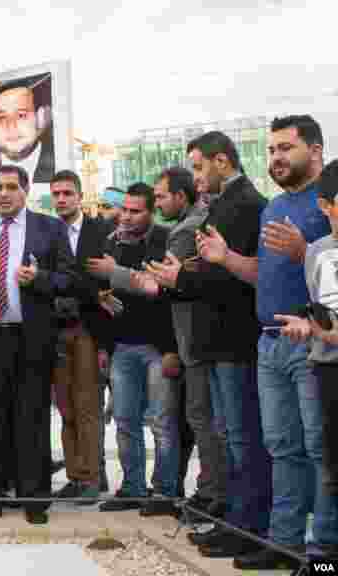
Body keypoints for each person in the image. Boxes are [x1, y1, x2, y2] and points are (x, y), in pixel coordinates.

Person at [193, 116, 335, 569]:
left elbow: (326, 271)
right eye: (271, 150)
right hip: (270, 344)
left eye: (285, 148)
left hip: (315, 345)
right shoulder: (273, 209)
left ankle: (322, 549)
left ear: (315, 150)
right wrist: (227, 258)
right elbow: (262, 275)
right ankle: (284, 541)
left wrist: (305, 250)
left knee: (319, 451)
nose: (275, 158)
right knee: (281, 448)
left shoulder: (329, 203)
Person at [148, 130, 271, 559]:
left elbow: (228, 277)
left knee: (242, 440)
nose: (196, 178)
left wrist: (180, 278)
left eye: (199, 167)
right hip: (217, 341)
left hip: (236, 341)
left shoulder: (245, 205)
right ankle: (235, 522)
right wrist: (180, 277)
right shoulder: (222, 205)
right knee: (228, 437)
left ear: (222, 161)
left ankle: (250, 528)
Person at [0, 165, 72, 525]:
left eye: (11, 187)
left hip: (30, 337)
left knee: (31, 419)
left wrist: (39, 278)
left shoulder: (49, 228)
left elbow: (70, 278)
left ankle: (34, 498)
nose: (3, 194)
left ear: (25, 190)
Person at [87, 183, 178, 514]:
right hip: (121, 347)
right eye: (123, 209)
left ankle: (166, 493)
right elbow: (99, 289)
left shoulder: (165, 240)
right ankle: (133, 488)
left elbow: (160, 291)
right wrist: (102, 299)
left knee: (162, 424)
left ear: (151, 212)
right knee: (125, 422)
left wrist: (118, 274)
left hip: (158, 347)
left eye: (135, 211)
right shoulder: (109, 241)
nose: (126, 216)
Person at [148, 166, 226, 519]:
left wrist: (116, 275)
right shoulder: (189, 224)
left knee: (202, 418)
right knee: (200, 418)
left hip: (195, 341)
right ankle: (211, 493)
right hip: (193, 340)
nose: (157, 202)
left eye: (161, 195)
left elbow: (164, 286)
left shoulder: (187, 230)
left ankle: (213, 496)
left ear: (181, 196)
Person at [275, 159, 338, 570]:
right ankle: (325, 555)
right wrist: (308, 325)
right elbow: (325, 315)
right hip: (327, 369)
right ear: (327, 205)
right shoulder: (318, 252)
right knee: (331, 466)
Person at [48, 170, 112, 503]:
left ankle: (92, 477)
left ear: (79, 195)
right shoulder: (46, 231)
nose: (61, 199)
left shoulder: (101, 230)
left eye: (67, 193)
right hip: (56, 332)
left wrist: (81, 293)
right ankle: (76, 476)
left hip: (89, 330)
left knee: (88, 407)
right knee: (66, 409)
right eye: (56, 193)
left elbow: (104, 283)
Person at [0, 76, 54, 184]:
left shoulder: (57, 165)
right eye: (1, 117)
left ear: (40, 117)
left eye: (21, 115)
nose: (11, 126)